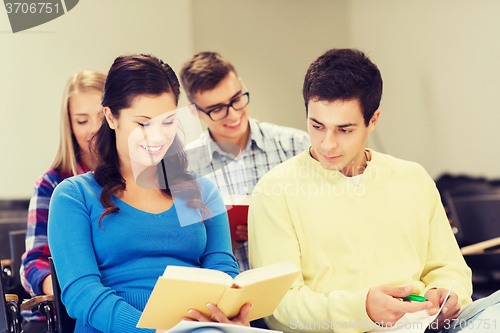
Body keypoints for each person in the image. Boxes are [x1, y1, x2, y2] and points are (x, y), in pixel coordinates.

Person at [249, 48, 500, 333]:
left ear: (373, 119)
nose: (327, 144)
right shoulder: (274, 191)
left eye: (344, 130)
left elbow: (449, 267)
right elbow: (279, 308)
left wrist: (446, 294)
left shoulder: (413, 178)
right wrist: (362, 311)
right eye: (317, 125)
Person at [47, 54, 251, 333]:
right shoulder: (74, 196)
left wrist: (228, 315)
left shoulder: (203, 192)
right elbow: (82, 294)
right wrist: (153, 331)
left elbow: (222, 272)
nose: (156, 137)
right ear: (110, 116)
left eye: (167, 123)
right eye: (142, 124)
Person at [180, 51, 310, 272]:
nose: (233, 115)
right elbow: (183, 251)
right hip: (226, 293)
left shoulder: (296, 146)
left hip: (293, 289)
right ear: (195, 112)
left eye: (237, 99)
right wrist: (221, 238)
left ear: (241, 85)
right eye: (217, 109)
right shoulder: (184, 169)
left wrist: (274, 227)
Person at [20, 69, 106, 333]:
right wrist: (64, 287)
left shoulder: (137, 176)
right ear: (69, 125)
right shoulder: (53, 183)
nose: (94, 129)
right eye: (82, 121)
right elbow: (33, 261)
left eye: (102, 117)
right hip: (65, 313)